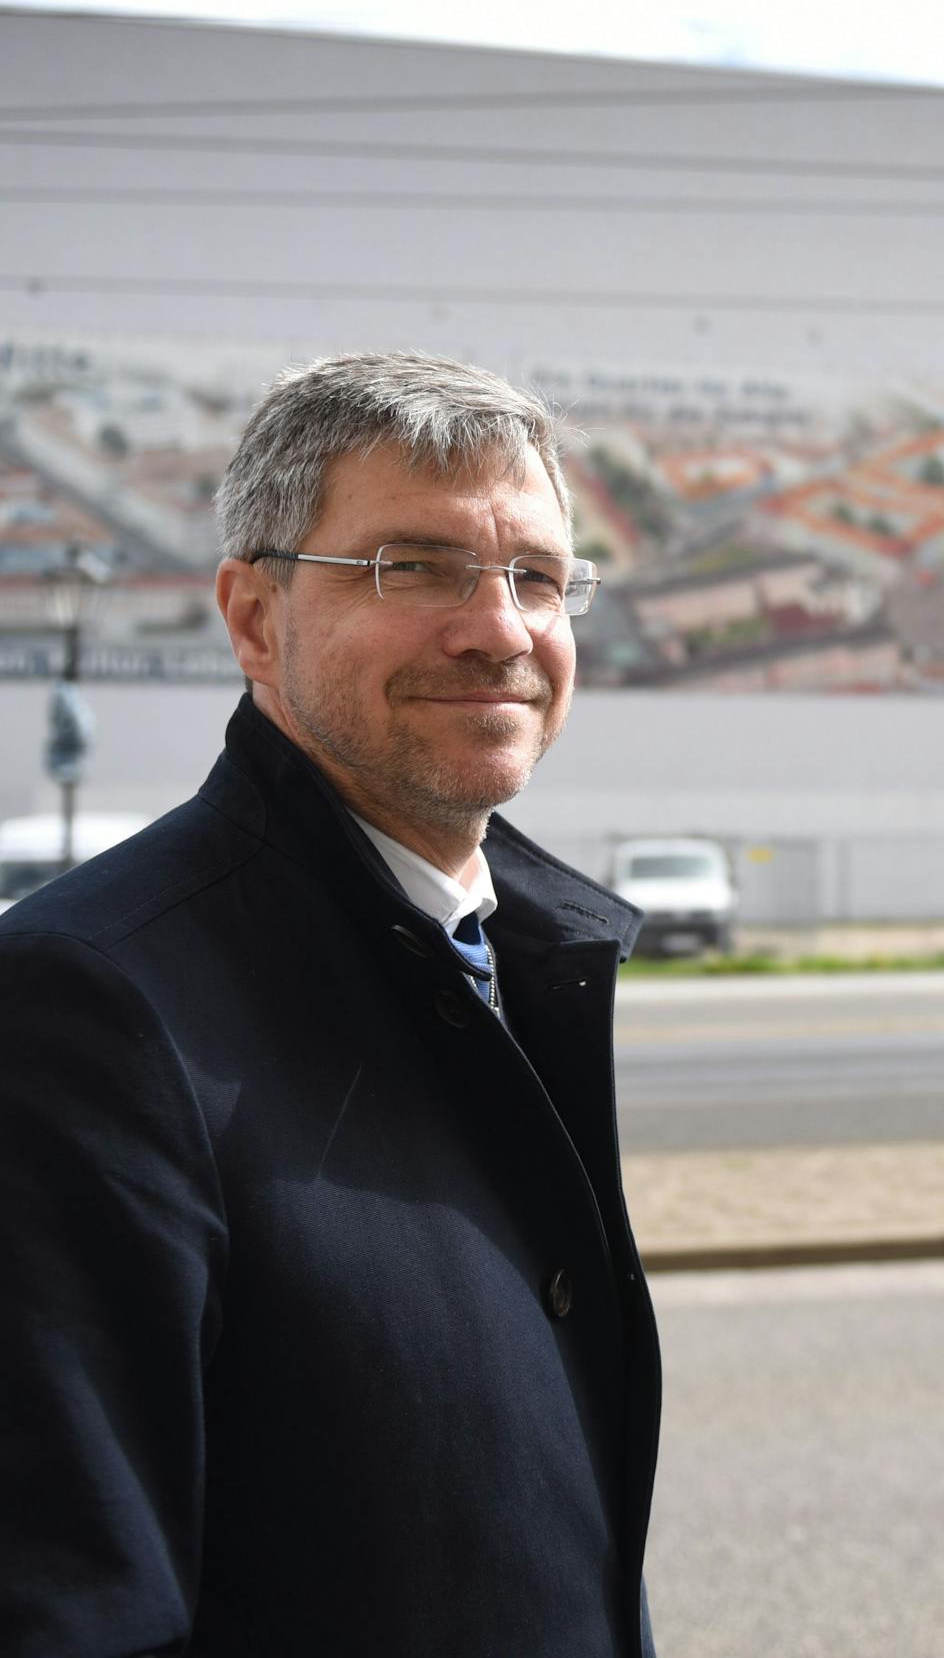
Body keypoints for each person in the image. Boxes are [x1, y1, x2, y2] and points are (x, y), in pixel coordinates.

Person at [0, 352, 661, 1656]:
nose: (500, 630)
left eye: (535, 576)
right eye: (412, 568)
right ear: (253, 617)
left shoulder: (510, 955)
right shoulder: (86, 1007)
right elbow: (70, 1605)